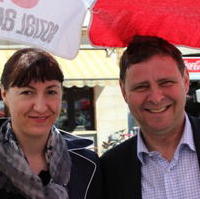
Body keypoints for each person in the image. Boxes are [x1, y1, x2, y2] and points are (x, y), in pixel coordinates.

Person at [100, 35, 200, 199]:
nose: (155, 98)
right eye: (141, 87)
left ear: (186, 81)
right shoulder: (108, 169)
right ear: (124, 92)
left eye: (166, 83)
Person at [0, 48, 102, 199]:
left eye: (51, 92)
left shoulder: (88, 164)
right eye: (27, 92)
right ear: (4, 95)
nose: (40, 107)